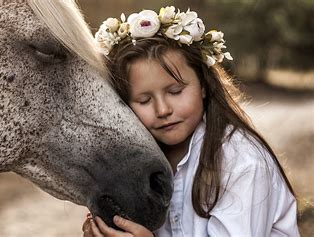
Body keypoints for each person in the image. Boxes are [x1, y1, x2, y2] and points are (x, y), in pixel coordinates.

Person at [82, 5, 300, 237]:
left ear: (204, 85)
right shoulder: (139, 166)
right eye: (144, 100)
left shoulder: (242, 162)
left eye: (175, 91)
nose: (163, 109)